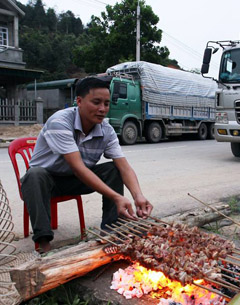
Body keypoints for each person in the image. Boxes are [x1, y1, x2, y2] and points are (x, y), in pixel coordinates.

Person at [20, 76, 153, 252]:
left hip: (76, 180)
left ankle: (112, 230)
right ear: (79, 101)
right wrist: (117, 197)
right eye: (96, 102)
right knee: (35, 175)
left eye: (106, 103)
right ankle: (44, 243)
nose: (102, 109)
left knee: (113, 170)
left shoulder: (106, 130)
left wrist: (138, 196)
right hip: (47, 182)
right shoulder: (60, 122)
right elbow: (78, 167)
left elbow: (124, 166)